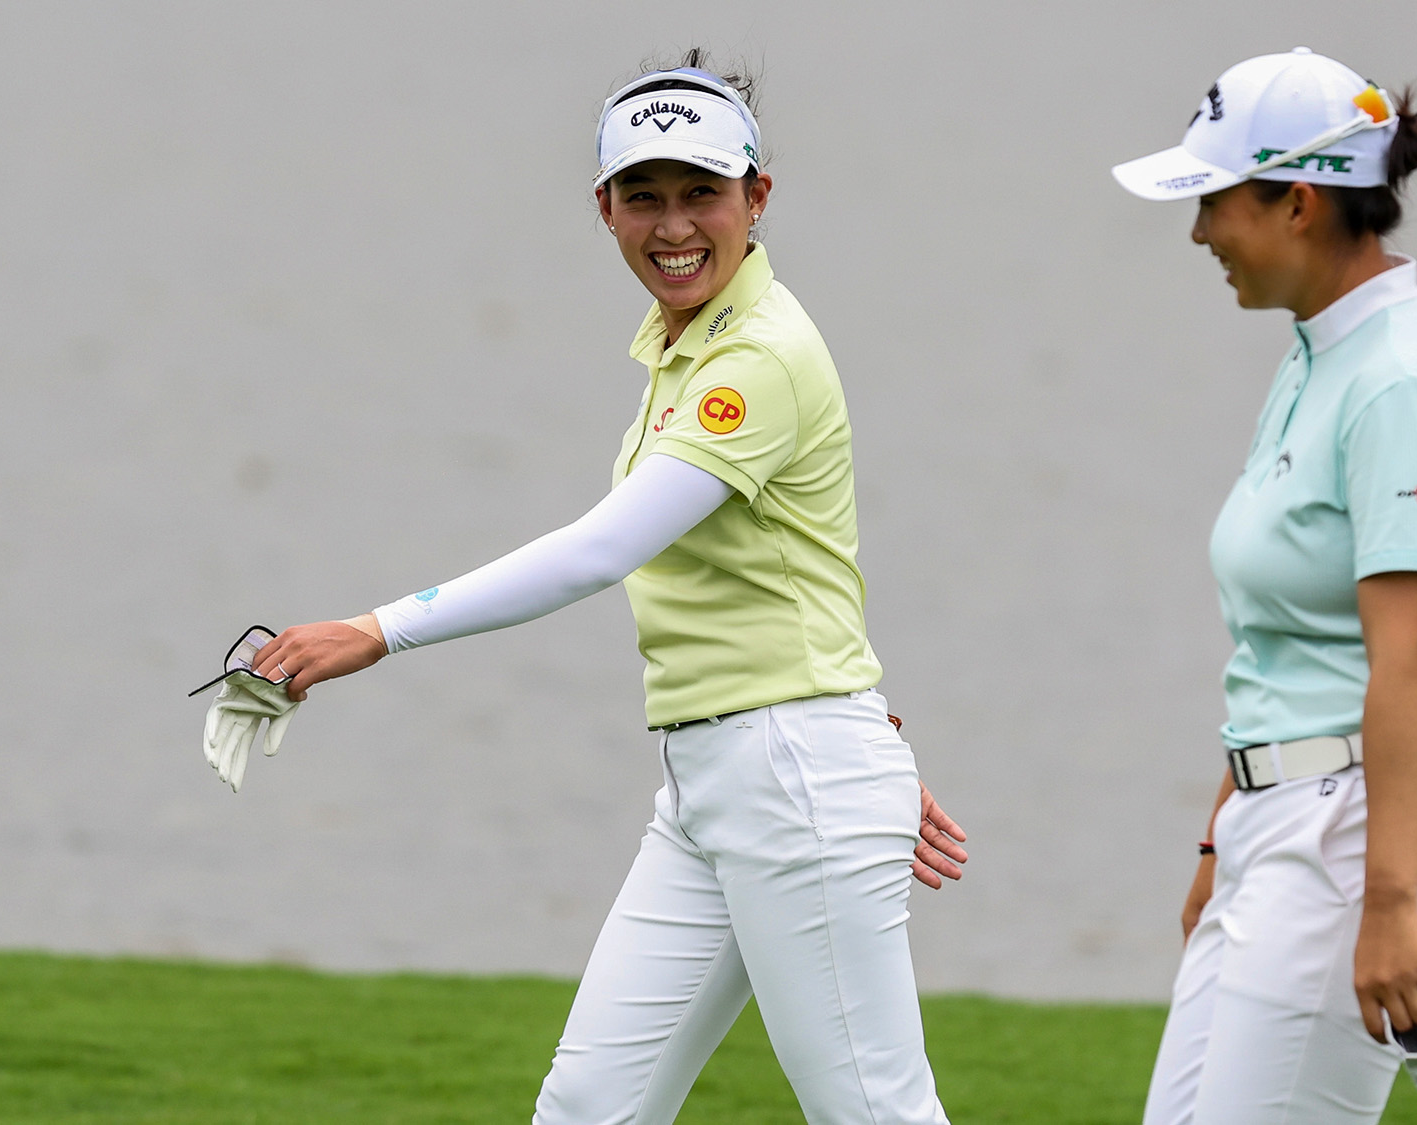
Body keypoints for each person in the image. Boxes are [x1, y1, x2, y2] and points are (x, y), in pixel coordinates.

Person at [208, 51, 965, 1125]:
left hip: (790, 776)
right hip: (727, 782)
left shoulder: (757, 356)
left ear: (757, 196)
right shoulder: (685, 349)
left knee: (873, 1112)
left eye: (701, 193)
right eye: (643, 197)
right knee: (586, 1109)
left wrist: (376, 631)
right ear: (602, 207)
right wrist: (843, 741)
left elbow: (598, 552)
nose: (673, 227)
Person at [1111, 48, 1417, 1125]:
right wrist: (1221, 839)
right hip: (1282, 821)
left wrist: (1388, 902)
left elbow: (1408, 659)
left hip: (1360, 833)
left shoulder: (1402, 384)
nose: (1198, 234)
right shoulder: (1317, 359)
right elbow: (1280, 646)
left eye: (1211, 203)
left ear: (1294, 202)